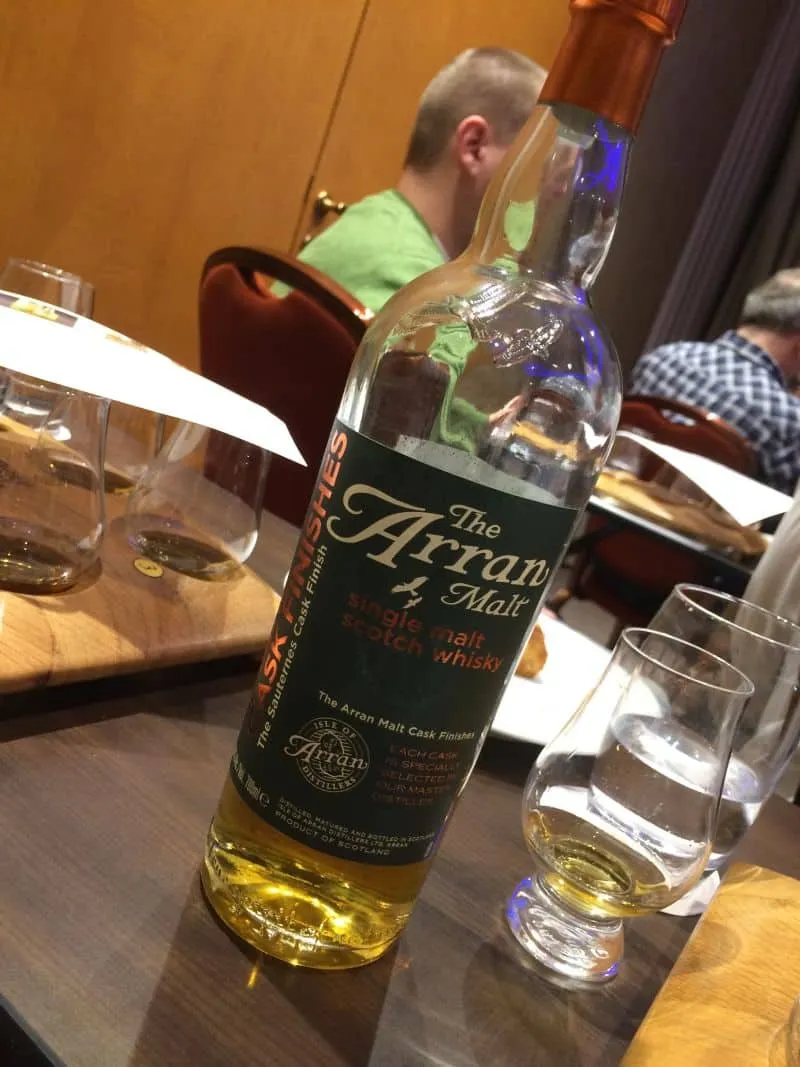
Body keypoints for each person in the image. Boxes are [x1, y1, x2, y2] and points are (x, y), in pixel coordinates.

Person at [298, 48, 546, 313]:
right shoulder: (417, 297)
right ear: (474, 146)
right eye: (543, 166)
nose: (553, 192)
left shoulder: (369, 220)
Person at [628, 269, 800, 495]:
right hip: (690, 518)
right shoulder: (789, 419)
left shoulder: (661, 358)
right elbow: (782, 514)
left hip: (607, 509)